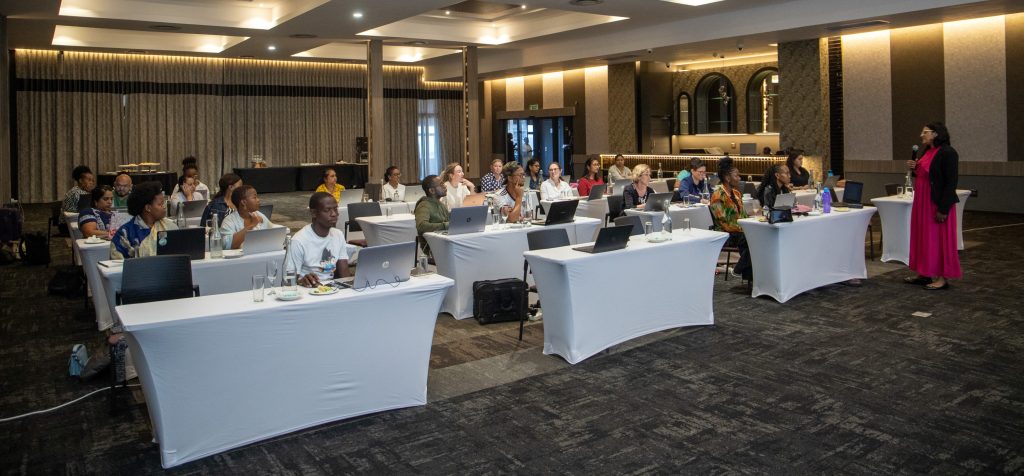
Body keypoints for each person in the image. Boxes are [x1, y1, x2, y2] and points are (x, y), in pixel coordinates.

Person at [904, 122, 961, 291]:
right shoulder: (927, 151)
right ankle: (924, 273)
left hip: (935, 202)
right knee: (923, 237)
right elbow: (925, 174)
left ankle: (942, 278)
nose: (922, 135)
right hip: (922, 202)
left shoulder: (948, 153)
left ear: (936, 134)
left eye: (925, 132)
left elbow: (951, 182)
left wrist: (943, 208)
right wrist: (914, 168)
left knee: (938, 240)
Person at [289, 192, 351, 287]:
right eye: (327, 210)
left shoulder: (338, 234)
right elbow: (289, 280)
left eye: (335, 209)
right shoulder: (298, 240)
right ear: (313, 213)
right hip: (308, 290)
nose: (334, 214)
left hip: (331, 288)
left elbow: (344, 273)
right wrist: (301, 281)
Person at [111, 181, 177, 260]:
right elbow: (117, 265)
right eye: (160, 204)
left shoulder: (169, 226)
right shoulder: (125, 233)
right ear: (148, 208)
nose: (164, 207)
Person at [709, 159, 751, 280]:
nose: (739, 178)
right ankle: (739, 269)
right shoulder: (718, 195)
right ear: (727, 178)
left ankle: (750, 275)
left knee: (757, 235)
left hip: (739, 231)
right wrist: (744, 229)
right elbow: (724, 223)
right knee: (750, 238)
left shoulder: (737, 194)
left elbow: (743, 216)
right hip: (726, 234)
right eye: (736, 175)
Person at [220, 185, 273, 250]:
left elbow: (273, 231)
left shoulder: (258, 215)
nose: (258, 200)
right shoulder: (229, 220)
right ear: (243, 202)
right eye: (254, 197)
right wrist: (251, 225)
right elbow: (227, 245)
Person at [414, 175, 450, 259]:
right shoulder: (424, 205)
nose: (445, 186)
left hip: (443, 242)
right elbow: (421, 226)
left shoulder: (440, 204)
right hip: (432, 248)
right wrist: (445, 225)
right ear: (432, 190)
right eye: (441, 184)